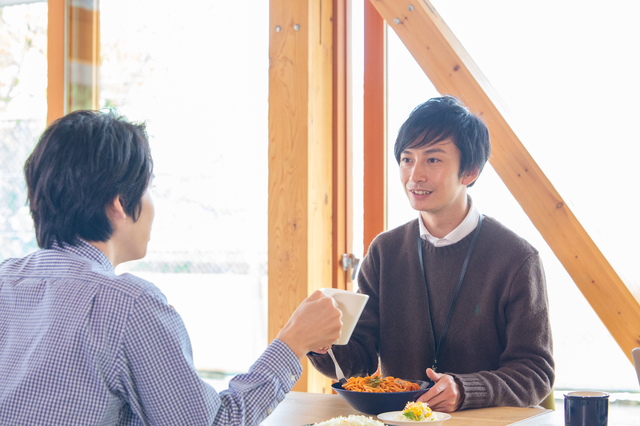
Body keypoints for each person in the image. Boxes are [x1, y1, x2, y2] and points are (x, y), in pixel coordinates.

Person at [0, 110, 343, 426]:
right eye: (147, 187)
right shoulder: (130, 303)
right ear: (119, 203)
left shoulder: (5, 281)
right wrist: (293, 342)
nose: (152, 203)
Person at [309, 96, 554, 412]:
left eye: (433, 160)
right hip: (400, 420)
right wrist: (321, 343)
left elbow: (535, 373)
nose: (414, 176)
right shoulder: (384, 252)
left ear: (470, 171)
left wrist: (465, 390)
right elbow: (359, 362)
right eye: (407, 159)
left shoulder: (516, 258)